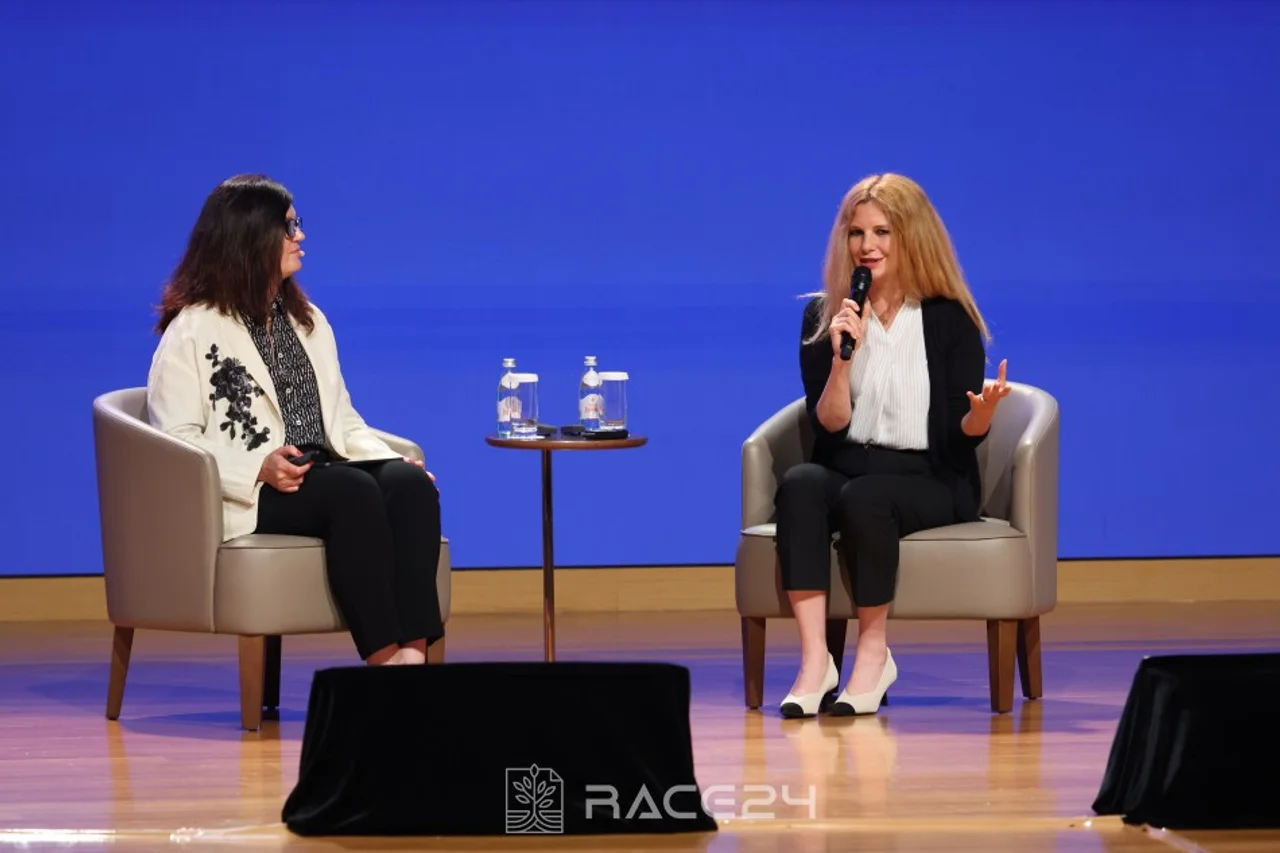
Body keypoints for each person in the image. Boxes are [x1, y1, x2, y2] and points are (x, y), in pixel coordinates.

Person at [146, 174, 444, 666]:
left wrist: (392, 461)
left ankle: (412, 659)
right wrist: (258, 467)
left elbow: (342, 420)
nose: (300, 235)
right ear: (249, 237)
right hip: (254, 492)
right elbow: (175, 440)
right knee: (352, 492)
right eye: (288, 227)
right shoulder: (193, 330)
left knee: (411, 488)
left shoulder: (308, 321)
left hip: (323, 472)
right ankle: (384, 660)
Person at [775, 173, 1010, 717]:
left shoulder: (948, 319)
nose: (868, 246)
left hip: (930, 476)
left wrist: (980, 417)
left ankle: (873, 655)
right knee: (801, 485)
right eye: (856, 233)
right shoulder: (825, 317)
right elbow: (828, 426)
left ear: (912, 236)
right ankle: (815, 661)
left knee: (867, 498)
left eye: (882, 232)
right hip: (848, 463)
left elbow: (957, 436)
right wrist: (842, 360)